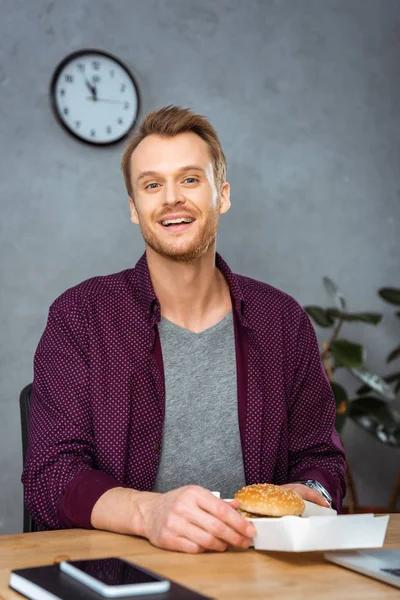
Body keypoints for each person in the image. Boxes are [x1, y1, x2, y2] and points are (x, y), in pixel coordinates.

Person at [22, 105, 346, 554]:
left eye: (190, 179)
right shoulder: (80, 316)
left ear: (223, 196)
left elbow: (322, 459)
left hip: (258, 570)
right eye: (152, 185)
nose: (172, 197)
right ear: (135, 209)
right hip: (123, 570)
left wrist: (310, 493)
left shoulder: (283, 320)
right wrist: (148, 513)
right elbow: (50, 474)